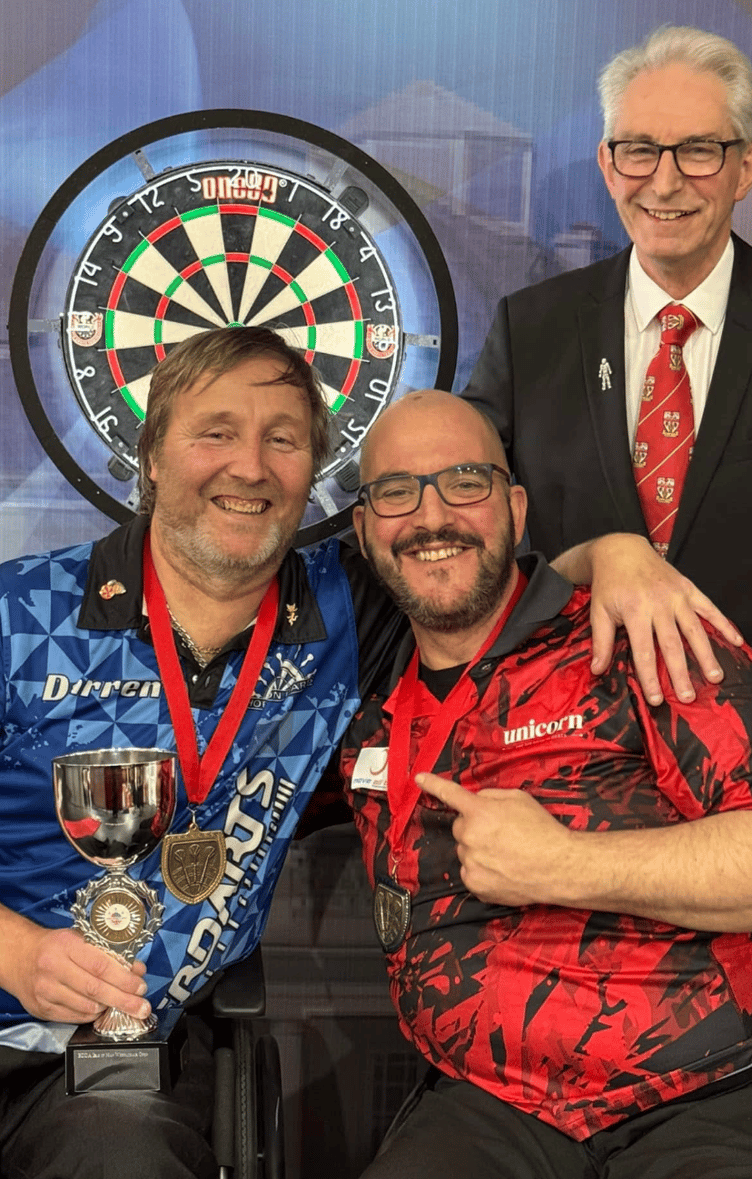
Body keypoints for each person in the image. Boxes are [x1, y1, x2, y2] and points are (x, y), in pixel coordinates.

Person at [0, 325, 404, 1179]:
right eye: (215, 431)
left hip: (112, 1069)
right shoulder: (18, 612)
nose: (249, 466)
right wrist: (13, 952)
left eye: (282, 438)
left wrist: (619, 556)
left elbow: (486, 582)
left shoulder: (348, 612)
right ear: (150, 455)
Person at [341, 389, 752, 1179]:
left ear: (515, 508)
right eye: (397, 490)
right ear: (363, 530)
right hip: (492, 1108)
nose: (432, 516)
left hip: (703, 1096)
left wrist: (565, 864)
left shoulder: (638, 634)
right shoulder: (368, 724)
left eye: (465, 480)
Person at [462, 24, 752, 704]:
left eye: (700, 150)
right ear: (606, 162)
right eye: (640, 150)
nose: (666, 180)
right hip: (574, 735)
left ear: (745, 169)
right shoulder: (530, 327)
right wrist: (588, 559)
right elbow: (460, 515)